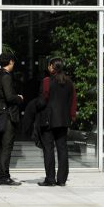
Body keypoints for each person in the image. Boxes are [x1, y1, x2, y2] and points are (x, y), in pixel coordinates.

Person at [37, 57, 77, 187]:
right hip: (63, 120)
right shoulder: (69, 82)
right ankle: (62, 179)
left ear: (51, 67)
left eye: (49, 65)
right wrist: (71, 116)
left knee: (48, 149)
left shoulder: (47, 81)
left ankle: (50, 179)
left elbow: (43, 100)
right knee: (62, 149)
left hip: (48, 120)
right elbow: (73, 101)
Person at [0, 53, 24, 186]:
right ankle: (4, 176)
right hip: (7, 115)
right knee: (6, 146)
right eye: (13, 62)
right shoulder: (6, 77)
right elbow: (9, 97)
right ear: (10, 62)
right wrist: (19, 98)